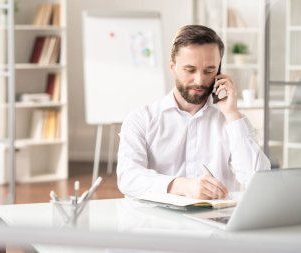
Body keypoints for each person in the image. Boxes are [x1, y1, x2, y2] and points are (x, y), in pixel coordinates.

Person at [116, 25, 271, 200]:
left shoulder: (229, 120)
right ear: (173, 67)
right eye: (190, 70)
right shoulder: (141, 120)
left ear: (219, 70)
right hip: (159, 223)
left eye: (209, 71)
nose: (199, 80)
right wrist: (180, 185)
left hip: (217, 222)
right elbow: (128, 178)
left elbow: (259, 180)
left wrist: (232, 114)